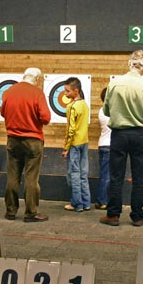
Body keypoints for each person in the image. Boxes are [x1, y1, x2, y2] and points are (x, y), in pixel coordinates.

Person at [99, 50, 143, 227]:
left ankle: (113, 215)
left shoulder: (114, 84)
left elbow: (107, 111)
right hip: (139, 135)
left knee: (116, 176)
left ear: (129, 63)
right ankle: (138, 216)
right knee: (139, 177)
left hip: (118, 134)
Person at [1, 67, 51, 222]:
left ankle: (10, 211)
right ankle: (30, 213)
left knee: (12, 176)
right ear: (36, 79)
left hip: (12, 139)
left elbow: (3, 112)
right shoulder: (37, 93)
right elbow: (46, 118)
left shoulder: (8, 92)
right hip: (33, 140)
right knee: (31, 178)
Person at [62, 77, 91, 212]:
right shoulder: (84, 104)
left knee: (74, 174)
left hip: (74, 144)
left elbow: (70, 129)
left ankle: (77, 204)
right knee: (83, 174)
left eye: (68, 91)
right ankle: (86, 203)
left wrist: (66, 147)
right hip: (84, 142)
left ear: (76, 91)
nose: (65, 94)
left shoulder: (71, 106)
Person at [95, 87, 110, 210]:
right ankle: (102, 201)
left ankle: (102, 200)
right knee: (107, 176)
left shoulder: (101, 110)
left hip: (102, 144)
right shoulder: (112, 112)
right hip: (110, 146)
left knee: (104, 174)